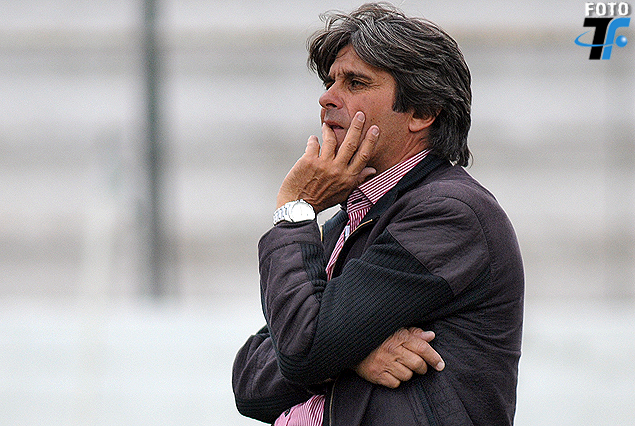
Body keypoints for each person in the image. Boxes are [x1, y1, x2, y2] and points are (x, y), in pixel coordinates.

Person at [232, 2, 524, 425]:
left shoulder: (449, 214)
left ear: (422, 113)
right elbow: (249, 383)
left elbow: (302, 349)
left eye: (355, 82)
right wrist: (351, 356)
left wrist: (295, 209)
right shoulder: (348, 222)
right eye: (330, 81)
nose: (327, 97)